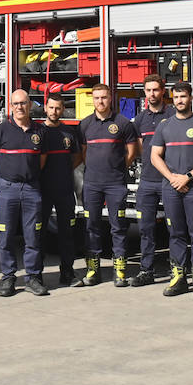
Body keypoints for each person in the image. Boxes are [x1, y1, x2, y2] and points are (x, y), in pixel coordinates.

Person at [148, 81, 193, 298]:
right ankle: (178, 277)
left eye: (183, 96)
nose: (180, 100)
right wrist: (172, 179)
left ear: (191, 98)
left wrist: (187, 177)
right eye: (176, 97)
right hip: (171, 188)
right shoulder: (164, 126)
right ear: (172, 99)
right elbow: (154, 156)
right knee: (175, 233)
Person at [76, 83, 137, 287]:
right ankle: (93, 271)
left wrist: (116, 169)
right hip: (92, 184)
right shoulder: (85, 124)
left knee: (118, 227)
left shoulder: (123, 123)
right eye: (96, 98)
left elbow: (131, 152)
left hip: (115, 184)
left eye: (104, 97)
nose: (100, 101)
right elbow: (84, 153)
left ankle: (119, 272)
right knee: (91, 227)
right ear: (92, 100)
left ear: (111, 98)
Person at [0, 89, 47, 297]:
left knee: (33, 236)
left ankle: (33, 277)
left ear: (29, 105)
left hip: (31, 189)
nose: (19, 107)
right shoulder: (1, 130)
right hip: (7, 189)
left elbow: (41, 161)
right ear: (10, 107)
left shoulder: (40, 131)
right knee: (6, 236)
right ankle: (8, 278)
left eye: (23, 103)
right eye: (15, 104)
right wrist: (4, 180)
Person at [131, 74, 173, 286]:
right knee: (145, 228)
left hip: (170, 180)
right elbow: (139, 149)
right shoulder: (140, 120)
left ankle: (177, 270)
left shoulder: (174, 114)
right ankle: (146, 270)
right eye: (148, 90)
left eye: (156, 90)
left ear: (163, 90)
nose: (152, 94)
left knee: (175, 228)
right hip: (147, 181)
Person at [40, 96, 84, 286]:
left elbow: (77, 157)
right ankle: (36, 276)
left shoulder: (69, 132)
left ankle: (67, 273)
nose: (54, 111)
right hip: (42, 189)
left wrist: (64, 172)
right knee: (38, 234)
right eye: (51, 108)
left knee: (67, 234)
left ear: (63, 109)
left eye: (58, 108)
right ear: (45, 108)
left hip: (65, 189)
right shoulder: (38, 131)